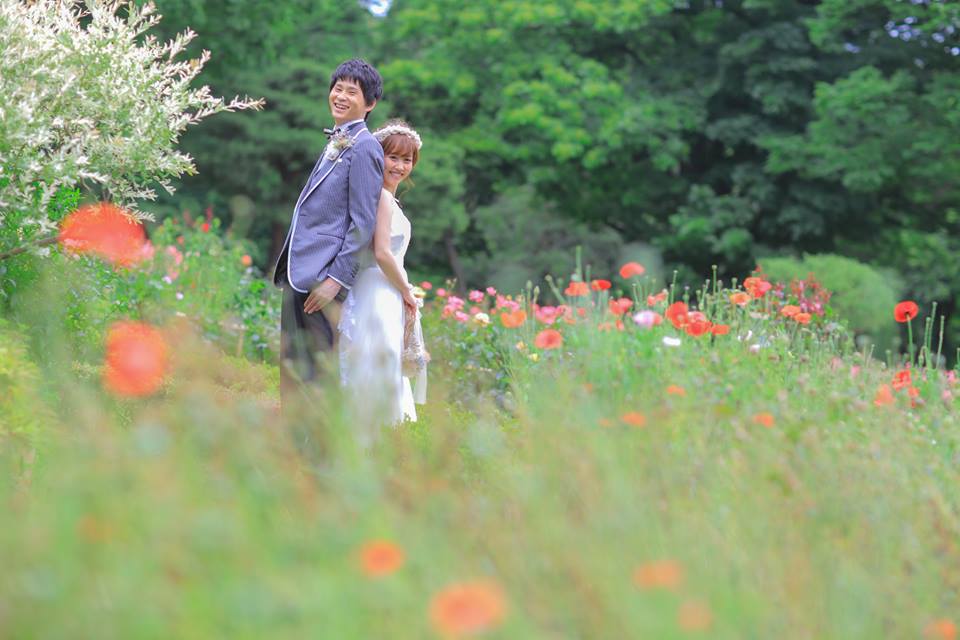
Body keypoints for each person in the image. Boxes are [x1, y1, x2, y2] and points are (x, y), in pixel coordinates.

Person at [272, 59, 383, 405]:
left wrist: (336, 280)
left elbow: (363, 223)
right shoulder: (338, 139)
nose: (341, 95)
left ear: (370, 103)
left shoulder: (365, 147)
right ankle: (290, 448)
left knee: (317, 371)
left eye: (352, 91)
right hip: (300, 271)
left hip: (323, 279)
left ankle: (318, 453)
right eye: (338, 87)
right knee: (292, 364)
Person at [339, 119, 426, 432]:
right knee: (379, 359)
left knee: (380, 360)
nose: (400, 166)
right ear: (378, 157)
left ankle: (374, 437)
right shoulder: (383, 198)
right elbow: (381, 253)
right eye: (393, 157)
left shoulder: (385, 197)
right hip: (378, 289)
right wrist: (406, 290)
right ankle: (371, 437)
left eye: (407, 160)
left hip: (381, 290)